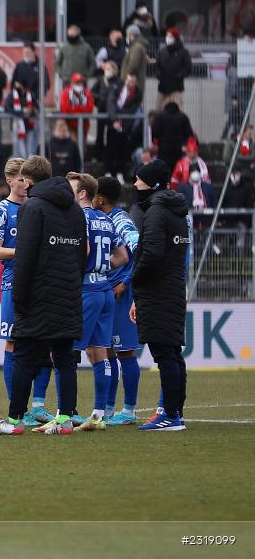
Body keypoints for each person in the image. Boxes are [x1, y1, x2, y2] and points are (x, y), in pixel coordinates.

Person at [0, 156, 86, 436]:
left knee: (24, 355)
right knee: (64, 357)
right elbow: (82, 254)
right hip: (69, 293)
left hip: (38, 295)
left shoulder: (33, 208)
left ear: (28, 180)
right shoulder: (75, 210)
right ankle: (65, 419)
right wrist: (73, 284)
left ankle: (15, 420)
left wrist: (20, 296)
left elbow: (27, 257)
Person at [0, 158, 57, 425]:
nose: (26, 184)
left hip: (43, 284)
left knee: (44, 343)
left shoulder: (40, 207)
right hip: (13, 284)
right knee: (13, 343)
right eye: (20, 179)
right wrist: (26, 252)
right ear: (9, 181)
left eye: (28, 179)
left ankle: (38, 406)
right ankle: (17, 407)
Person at [66, 172, 128, 432]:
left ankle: (64, 414)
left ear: (82, 193)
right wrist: (101, 268)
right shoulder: (105, 218)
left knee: (66, 351)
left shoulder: (77, 217)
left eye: (70, 188)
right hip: (104, 289)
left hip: (85, 290)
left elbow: (84, 251)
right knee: (100, 351)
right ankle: (99, 414)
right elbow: (123, 256)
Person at [132, 160, 189, 432]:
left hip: (158, 292)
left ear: (152, 184)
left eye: (139, 179)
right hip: (173, 289)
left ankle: (170, 415)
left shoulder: (156, 212)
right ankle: (176, 411)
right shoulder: (177, 211)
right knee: (173, 353)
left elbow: (152, 253)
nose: (135, 184)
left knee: (165, 355)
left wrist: (136, 279)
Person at [93, 176, 142, 427]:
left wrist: (124, 283)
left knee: (125, 351)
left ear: (101, 198)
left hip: (122, 293)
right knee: (108, 349)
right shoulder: (103, 219)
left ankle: (129, 410)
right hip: (107, 291)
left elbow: (138, 251)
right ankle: (109, 408)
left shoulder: (121, 221)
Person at [105, 73, 143, 181]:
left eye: (132, 81)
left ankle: (120, 173)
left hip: (125, 126)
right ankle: (109, 171)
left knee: (121, 150)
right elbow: (111, 103)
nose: (130, 83)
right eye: (128, 80)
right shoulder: (117, 87)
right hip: (113, 124)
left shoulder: (138, 93)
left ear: (135, 82)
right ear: (125, 80)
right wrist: (114, 120)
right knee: (110, 149)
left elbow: (131, 110)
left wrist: (119, 116)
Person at [155, 27, 192, 110]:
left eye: (170, 36)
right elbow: (157, 66)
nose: (167, 38)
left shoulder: (183, 52)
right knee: (159, 111)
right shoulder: (162, 51)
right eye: (167, 36)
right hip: (162, 88)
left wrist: (177, 76)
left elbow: (188, 69)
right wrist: (159, 75)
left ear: (175, 38)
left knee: (175, 112)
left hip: (176, 88)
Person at [92, 60, 121, 161]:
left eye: (109, 68)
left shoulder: (118, 81)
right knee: (99, 133)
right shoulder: (101, 80)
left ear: (114, 70)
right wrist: (100, 98)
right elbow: (92, 92)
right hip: (101, 110)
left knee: (111, 135)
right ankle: (97, 156)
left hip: (112, 112)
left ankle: (109, 158)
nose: (107, 70)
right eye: (106, 68)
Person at [152, 101, 193, 170]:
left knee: (164, 169)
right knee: (178, 169)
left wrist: (156, 144)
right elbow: (189, 134)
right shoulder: (183, 117)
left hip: (163, 150)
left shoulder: (160, 116)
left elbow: (155, 133)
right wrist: (184, 144)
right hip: (179, 150)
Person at [12, 41, 50, 112]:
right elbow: (13, 84)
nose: (25, 54)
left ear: (33, 52)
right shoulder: (19, 66)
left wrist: (36, 97)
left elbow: (46, 84)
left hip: (36, 102)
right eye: (24, 52)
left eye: (28, 52)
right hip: (21, 102)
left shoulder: (41, 66)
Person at [58, 72, 94, 140]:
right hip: (69, 125)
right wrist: (81, 108)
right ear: (72, 83)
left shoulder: (87, 92)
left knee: (83, 144)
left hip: (84, 125)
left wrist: (74, 107)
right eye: (77, 83)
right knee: (73, 143)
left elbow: (90, 109)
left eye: (80, 82)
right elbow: (66, 110)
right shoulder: (66, 92)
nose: (79, 85)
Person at [8, 79, 38, 158]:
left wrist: (31, 110)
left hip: (29, 125)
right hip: (18, 126)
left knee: (30, 151)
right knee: (21, 152)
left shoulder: (31, 95)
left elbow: (36, 108)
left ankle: (29, 163)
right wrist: (22, 111)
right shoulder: (12, 95)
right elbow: (8, 108)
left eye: (19, 85)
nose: (17, 87)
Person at [121, 25, 149, 95]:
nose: (126, 37)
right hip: (135, 81)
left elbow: (133, 64)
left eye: (127, 35)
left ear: (132, 35)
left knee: (132, 100)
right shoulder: (136, 46)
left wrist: (125, 76)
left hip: (133, 82)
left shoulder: (136, 47)